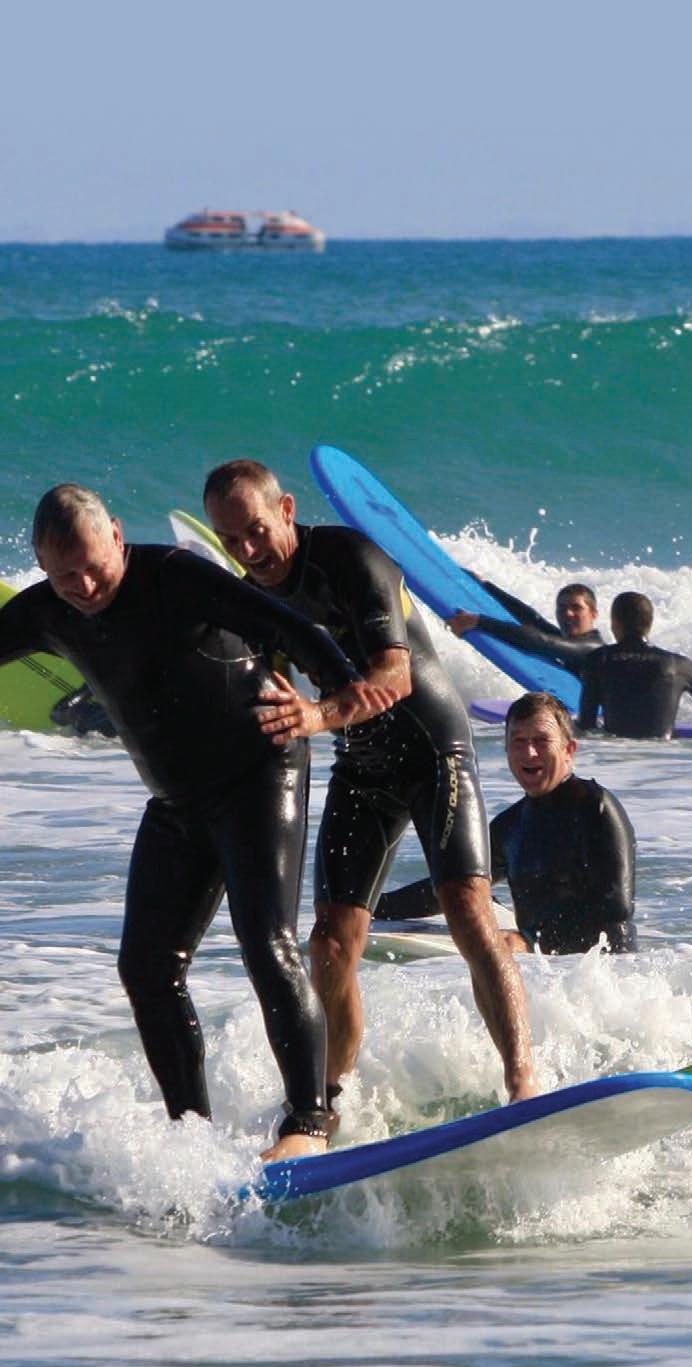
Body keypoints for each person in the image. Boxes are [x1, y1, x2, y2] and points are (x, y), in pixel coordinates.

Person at [0, 483, 396, 1162]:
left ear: (117, 534)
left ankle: (308, 1122)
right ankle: (193, 1138)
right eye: (65, 576)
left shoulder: (175, 576)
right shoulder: (47, 612)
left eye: (93, 566)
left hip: (257, 773)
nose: (84, 587)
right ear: (42, 567)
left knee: (265, 942)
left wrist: (338, 699)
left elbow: (293, 628)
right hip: (179, 801)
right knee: (147, 967)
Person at [202, 459, 539, 1112]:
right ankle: (328, 1103)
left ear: (287, 510)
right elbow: (259, 701)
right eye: (230, 539)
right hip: (362, 764)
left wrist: (316, 716)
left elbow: (395, 676)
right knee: (328, 945)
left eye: (256, 530)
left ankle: (523, 1081)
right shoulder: (254, 600)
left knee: (468, 910)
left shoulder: (352, 559)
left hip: (433, 746)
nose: (247, 550)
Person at [376, 692, 637, 954]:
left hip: (607, 970)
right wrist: (374, 906)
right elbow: (456, 885)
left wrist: (533, 942)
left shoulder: (595, 808)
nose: (529, 752)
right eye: (518, 741)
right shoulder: (511, 825)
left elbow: (616, 908)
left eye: (541, 741)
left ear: (569, 750)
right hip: (543, 969)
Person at [578, 591, 692, 739]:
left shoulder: (597, 660)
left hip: (615, 753)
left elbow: (586, 724)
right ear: (650, 623)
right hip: (661, 753)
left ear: (615, 623)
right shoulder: (679, 665)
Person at [448, 581, 604, 674]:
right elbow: (534, 619)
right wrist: (486, 586)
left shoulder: (593, 650)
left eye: (576, 607)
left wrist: (479, 621)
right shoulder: (574, 643)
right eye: (562, 608)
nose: (568, 613)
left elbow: (541, 642)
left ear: (593, 613)